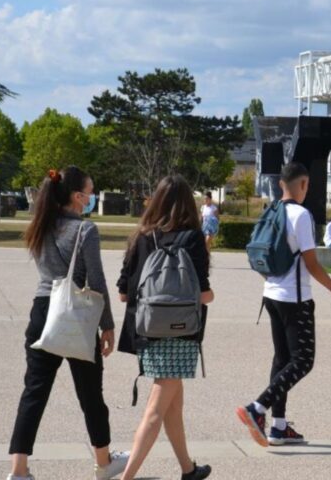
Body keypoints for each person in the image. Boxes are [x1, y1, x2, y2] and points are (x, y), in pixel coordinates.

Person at [9, 166, 129, 480]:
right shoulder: (84, 230)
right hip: (75, 313)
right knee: (91, 394)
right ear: (77, 197)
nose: (92, 198)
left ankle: (18, 470)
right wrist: (108, 326)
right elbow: (97, 280)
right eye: (90, 193)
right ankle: (103, 463)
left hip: (42, 312)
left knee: (33, 393)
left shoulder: (42, 225)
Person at [236, 162, 331, 448]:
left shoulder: (272, 210)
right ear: (304, 184)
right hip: (295, 299)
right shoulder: (301, 216)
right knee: (302, 361)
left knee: (282, 360)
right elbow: (312, 265)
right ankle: (258, 408)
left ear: (280, 185)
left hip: (272, 295)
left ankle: (278, 427)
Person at [117, 176, 215, 480]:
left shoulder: (141, 237)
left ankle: (187, 468)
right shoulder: (193, 237)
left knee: (173, 404)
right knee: (157, 409)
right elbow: (204, 294)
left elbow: (123, 292)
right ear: (188, 202)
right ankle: (126, 476)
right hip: (181, 332)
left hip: (147, 330)